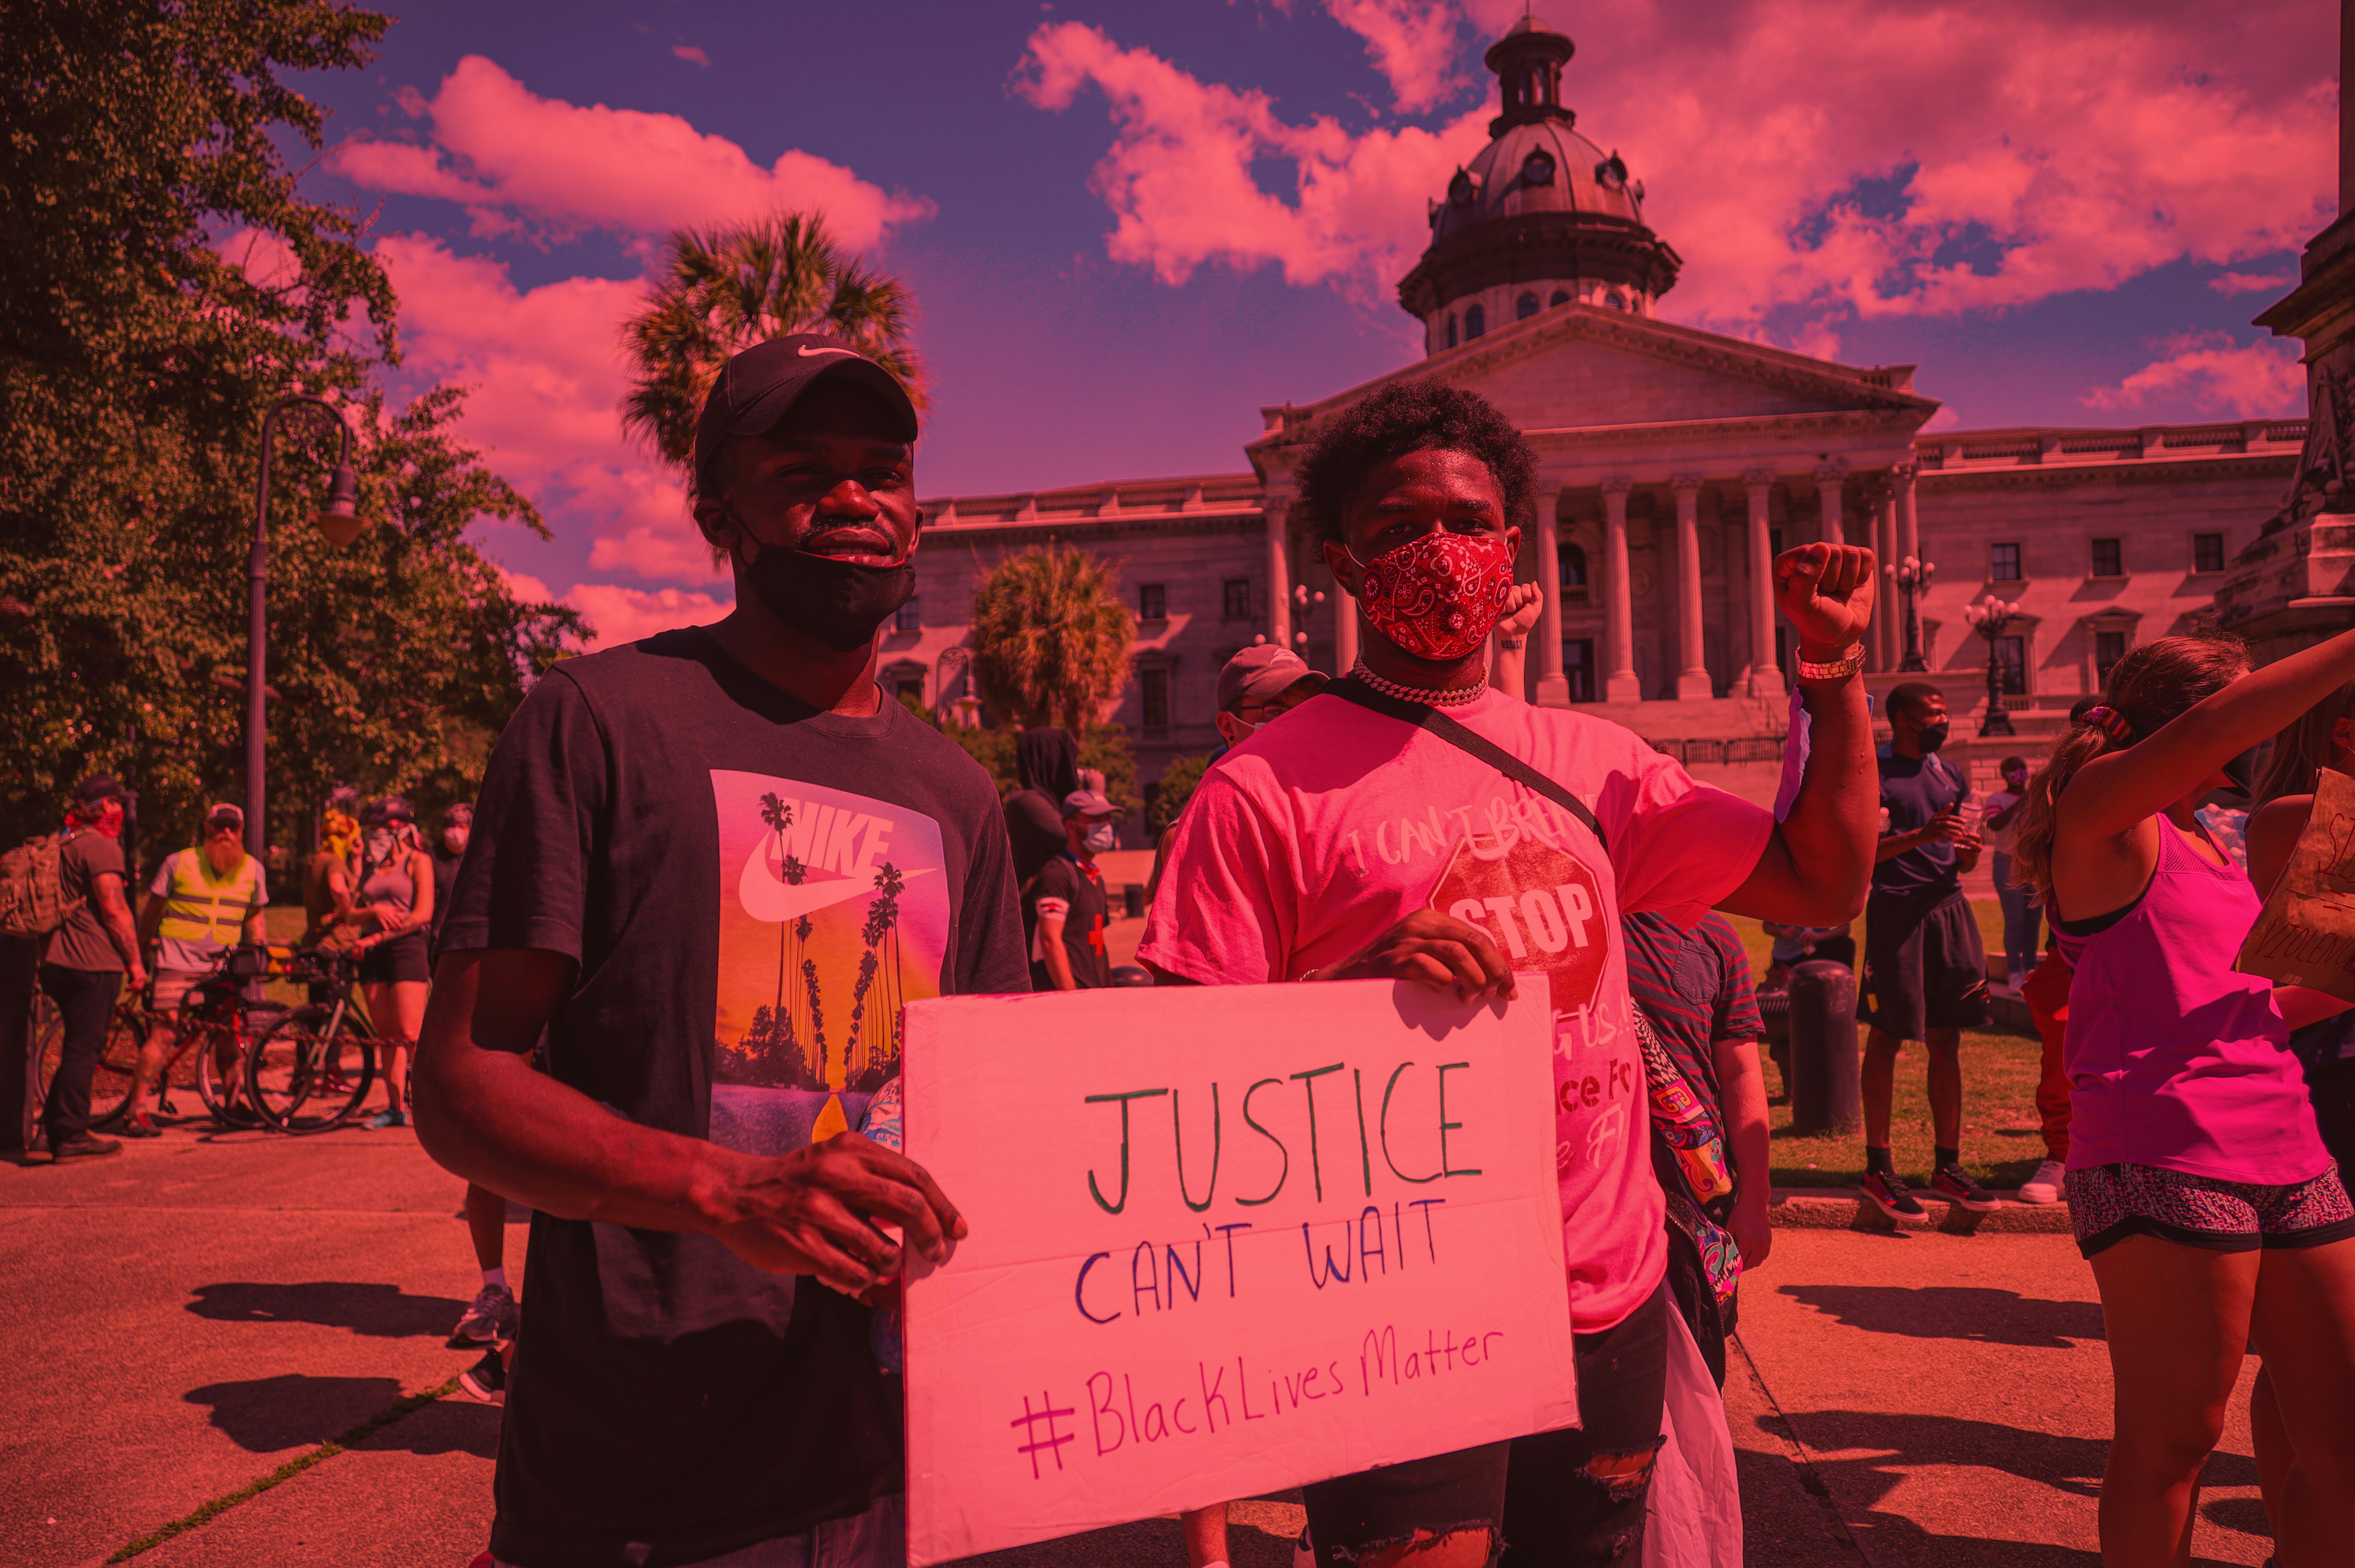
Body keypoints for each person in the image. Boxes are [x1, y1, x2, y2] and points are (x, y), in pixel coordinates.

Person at [1141, 379, 1879, 1565]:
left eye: (1470, 521)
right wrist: (1345, 993)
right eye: (1399, 526)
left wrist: (1832, 673)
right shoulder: (1259, 792)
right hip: (1392, 1308)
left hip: (1604, 1293)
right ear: (1340, 560)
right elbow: (1179, 1085)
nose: (1441, 548)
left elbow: (1822, 879)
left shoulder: (1597, 762)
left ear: (1514, 545)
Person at [413, 332, 1026, 1568]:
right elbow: (462, 1084)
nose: (852, 498)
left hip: (895, 1469)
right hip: (642, 1480)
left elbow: (1008, 1112)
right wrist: (732, 1192)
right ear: (719, 515)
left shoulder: (959, 793)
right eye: (803, 470)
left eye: (883, 471)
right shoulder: (596, 720)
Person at [2010, 631, 2355, 1562]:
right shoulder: (2103, 815)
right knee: (2175, 1438)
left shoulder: (2213, 839)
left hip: (2286, 1143)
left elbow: (2267, 999)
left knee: (2344, 1433)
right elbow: (2214, 728)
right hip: (2162, 1150)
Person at [1858, 682, 1996, 1221]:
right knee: (1887, 1037)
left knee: (1948, 1038)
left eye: (1944, 712)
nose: (1943, 722)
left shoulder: (1949, 772)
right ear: (1902, 720)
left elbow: (1959, 857)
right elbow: (1865, 854)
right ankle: (1878, 1167)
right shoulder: (1875, 773)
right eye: (1933, 715)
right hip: (1897, 913)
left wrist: (1970, 853)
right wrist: (1922, 834)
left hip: (1949, 908)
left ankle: (1948, 1165)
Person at [1625, 910, 1773, 1389]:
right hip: (1603, 1198)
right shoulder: (1579, 922)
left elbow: (1741, 1072)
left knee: (1698, 1370)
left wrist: (1755, 1202)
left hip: (1697, 1201)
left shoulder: (1716, 936)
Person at [1144, 646, 1327, 913]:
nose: (1295, 723)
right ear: (1229, 727)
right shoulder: (1197, 833)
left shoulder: (1324, 814)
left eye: (1306, 710)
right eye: (1276, 711)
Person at [122, 804, 268, 1136]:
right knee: (165, 1034)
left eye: (232, 826)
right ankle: (137, 1109)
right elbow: (153, 911)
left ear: (241, 830)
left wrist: (259, 948)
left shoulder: (253, 869)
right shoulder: (179, 862)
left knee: (229, 1035)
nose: (226, 831)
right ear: (206, 827)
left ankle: (232, 1105)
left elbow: (256, 913)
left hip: (225, 968)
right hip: (177, 963)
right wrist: (140, 954)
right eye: (220, 825)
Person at [35, 776, 147, 1162]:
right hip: (92, 962)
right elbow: (114, 909)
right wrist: (135, 962)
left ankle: (47, 1134)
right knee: (85, 1050)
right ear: (104, 807)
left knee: (76, 1048)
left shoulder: (60, 843)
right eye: (117, 802)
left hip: (54, 960)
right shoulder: (100, 847)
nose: (122, 810)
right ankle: (71, 1136)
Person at [354, 796, 434, 1130]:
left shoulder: (418, 861)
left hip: (406, 948)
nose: (373, 837)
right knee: (386, 1035)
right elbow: (350, 912)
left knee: (410, 1033)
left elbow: (422, 914)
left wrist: (378, 937)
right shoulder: (371, 867)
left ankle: (432, 1108)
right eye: (370, 830)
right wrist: (372, 911)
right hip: (372, 953)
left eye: (378, 830)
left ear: (398, 829)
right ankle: (395, 1108)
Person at [1027, 787, 1119, 991]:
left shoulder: (1095, 877)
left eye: (1107, 819)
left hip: (1094, 994)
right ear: (1071, 826)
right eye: (1096, 820)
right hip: (1067, 1000)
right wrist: (1072, 996)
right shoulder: (1057, 874)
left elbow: (1098, 944)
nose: (1104, 827)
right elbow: (1049, 940)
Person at [1983, 754, 2038, 993]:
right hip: (2008, 862)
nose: (2018, 773)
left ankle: (2031, 969)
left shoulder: (2037, 798)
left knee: (2034, 922)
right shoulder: (1997, 798)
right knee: (2016, 919)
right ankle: (2015, 971)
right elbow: (1994, 824)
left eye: (2021, 768)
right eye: (2012, 769)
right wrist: (2021, 802)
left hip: (2033, 864)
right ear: (2004, 775)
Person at [1004, 727, 1081, 896]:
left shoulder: (1057, 804)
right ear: (1055, 762)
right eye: (1071, 760)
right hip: (1041, 903)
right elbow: (1076, 839)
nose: (1075, 768)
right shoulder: (1026, 803)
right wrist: (1094, 798)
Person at [429, 802, 471, 951]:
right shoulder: (430, 856)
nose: (456, 831)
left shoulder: (475, 857)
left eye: (462, 827)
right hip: (435, 932)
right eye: (451, 826)